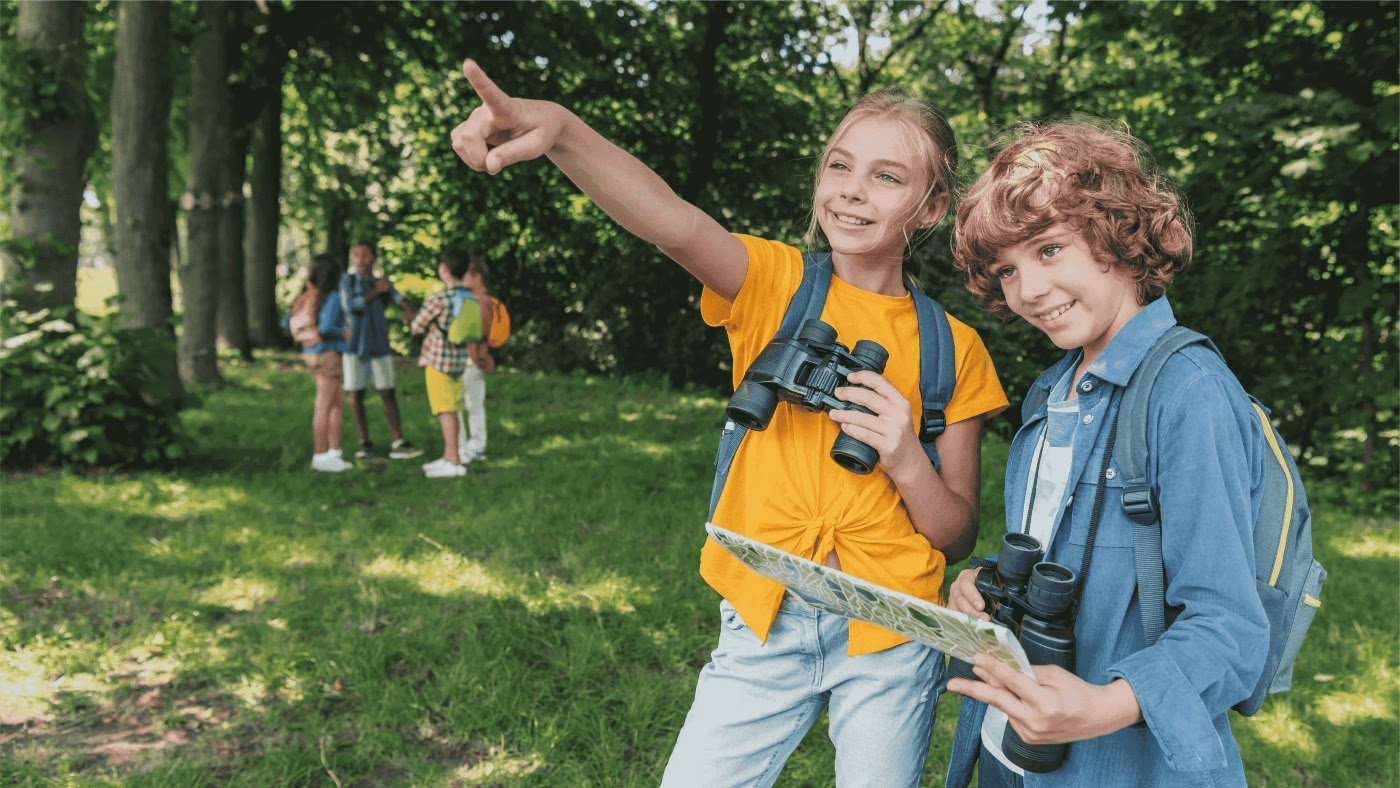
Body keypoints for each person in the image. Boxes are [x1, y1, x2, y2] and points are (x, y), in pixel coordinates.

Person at [450, 60, 1007, 785]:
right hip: (763, 615)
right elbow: (669, 219)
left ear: (930, 209)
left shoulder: (954, 349)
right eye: (839, 165)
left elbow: (956, 534)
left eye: (886, 177)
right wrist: (562, 131)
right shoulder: (775, 285)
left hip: (890, 636)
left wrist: (904, 456)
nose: (851, 190)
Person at [942, 122, 1270, 787]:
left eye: (1049, 249)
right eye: (1007, 270)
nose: (1028, 289)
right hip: (1010, 752)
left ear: (1117, 235)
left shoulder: (1188, 394)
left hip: (1117, 766)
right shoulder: (1047, 394)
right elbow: (1049, 553)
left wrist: (1100, 706)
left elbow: (1229, 629)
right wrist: (981, 583)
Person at [339, 241, 423, 460]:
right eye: (356, 255)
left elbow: (397, 297)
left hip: (379, 345)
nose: (360, 260)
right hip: (355, 346)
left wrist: (407, 310)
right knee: (356, 392)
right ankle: (364, 442)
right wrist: (376, 293)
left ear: (374, 259)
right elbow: (350, 306)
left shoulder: (382, 283)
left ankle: (398, 441)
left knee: (387, 391)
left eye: (365, 255)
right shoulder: (347, 281)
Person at [408, 250, 477, 478]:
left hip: (439, 361)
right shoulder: (470, 297)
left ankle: (454, 461)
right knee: (452, 408)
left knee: (445, 410)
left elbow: (416, 327)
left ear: (444, 269)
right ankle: (449, 456)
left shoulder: (438, 298)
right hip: (459, 361)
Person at [300, 252, 353, 473]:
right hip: (328, 354)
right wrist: (344, 332)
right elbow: (326, 327)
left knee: (336, 403)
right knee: (324, 404)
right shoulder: (331, 298)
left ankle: (334, 452)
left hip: (311, 353)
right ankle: (320, 456)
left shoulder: (310, 295)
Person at [456, 257, 498, 462]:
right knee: (474, 403)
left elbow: (478, 333)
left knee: (460, 403)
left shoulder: (479, 302)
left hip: (471, 359)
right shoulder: (484, 300)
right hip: (476, 358)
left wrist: (474, 351)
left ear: (476, 276)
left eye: (464, 274)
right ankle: (475, 446)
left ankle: (465, 447)